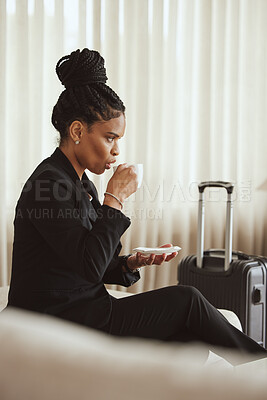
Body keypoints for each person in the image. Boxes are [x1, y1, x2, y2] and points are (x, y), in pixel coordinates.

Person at [7, 48, 266, 365]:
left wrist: (130, 262)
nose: (116, 151)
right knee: (187, 300)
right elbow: (89, 266)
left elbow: (87, 263)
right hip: (60, 319)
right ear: (76, 131)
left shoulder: (78, 182)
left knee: (188, 339)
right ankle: (260, 366)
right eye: (109, 138)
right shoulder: (47, 185)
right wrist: (114, 197)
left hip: (82, 310)